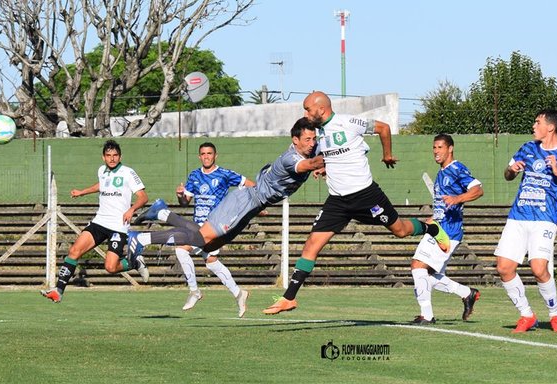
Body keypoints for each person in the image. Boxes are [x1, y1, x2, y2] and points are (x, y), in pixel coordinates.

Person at [263, 91, 450, 315]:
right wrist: (323, 168)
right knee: (312, 244)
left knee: (399, 230)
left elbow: (383, 128)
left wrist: (387, 154)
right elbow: (332, 156)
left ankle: (431, 227)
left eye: (308, 109)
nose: (306, 113)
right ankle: (289, 298)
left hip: (366, 195)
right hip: (338, 202)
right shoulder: (318, 135)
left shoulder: (348, 122)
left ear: (321, 109)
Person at [126, 117, 324, 317]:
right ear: (295, 140)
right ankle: (142, 238)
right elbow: (312, 163)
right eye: (307, 139)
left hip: (250, 207)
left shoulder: (307, 149)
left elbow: (316, 155)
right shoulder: (291, 159)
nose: (311, 143)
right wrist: (339, 155)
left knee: (208, 247)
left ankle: (161, 213)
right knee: (196, 242)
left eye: (313, 139)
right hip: (243, 203)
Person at [495, 109, 557, 334]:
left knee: (538, 269)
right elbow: (507, 175)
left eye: (537, 123)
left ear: (550, 127)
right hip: (518, 216)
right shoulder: (527, 148)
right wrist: (512, 170)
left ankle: (555, 316)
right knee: (504, 267)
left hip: (545, 218)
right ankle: (527, 315)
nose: (533, 127)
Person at [137, 142, 255, 312]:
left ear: (215, 155)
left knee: (181, 249)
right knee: (212, 262)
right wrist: (181, 195)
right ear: (199, 156)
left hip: (212, 226)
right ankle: (239, 293)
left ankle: (194, 291)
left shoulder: (225, 174)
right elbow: (185, 202)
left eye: (209, 153)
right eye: (203, 154)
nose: (206, 156)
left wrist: (256, 203)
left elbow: (249, 184)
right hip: (196, 225)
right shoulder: (194, 176)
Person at [41, 140, 149, 303]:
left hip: (118, 227)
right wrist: (82, 192)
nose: (112, 159)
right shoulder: (102, 171)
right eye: (108, 155)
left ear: (120, 156)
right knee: (74, 251)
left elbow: (143, 196)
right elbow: (102, 185)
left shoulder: (128, 172)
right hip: (99, 222)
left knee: (110, 267)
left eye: (115, 155)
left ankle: (133, 262)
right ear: (103, 157)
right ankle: (58, 291)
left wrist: (131, 209)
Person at [410, 134, 484, 325]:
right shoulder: (441, 172)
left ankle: (427, 316)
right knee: (429, 277)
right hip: (439, 227)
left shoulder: (456, 168)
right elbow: (443, 204)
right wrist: (434, 217)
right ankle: (467, 293)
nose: (436, 151)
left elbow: (478, 189)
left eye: (440, 147)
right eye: (434, 148)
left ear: (450, 148)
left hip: (449, 231)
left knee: (418, 267)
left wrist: (457, 199)